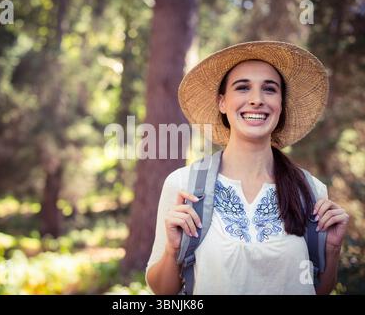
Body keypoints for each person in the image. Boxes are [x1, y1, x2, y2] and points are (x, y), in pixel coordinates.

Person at [145, 41, 349, 295]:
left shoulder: (311, 191)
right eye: (242, 88)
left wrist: (332, 250)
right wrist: (172, 250)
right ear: (222, 102)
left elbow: (317, 290)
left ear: (281, 104)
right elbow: (163, 293)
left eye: (269, 89)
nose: (256, 100)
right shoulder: (183, 185)